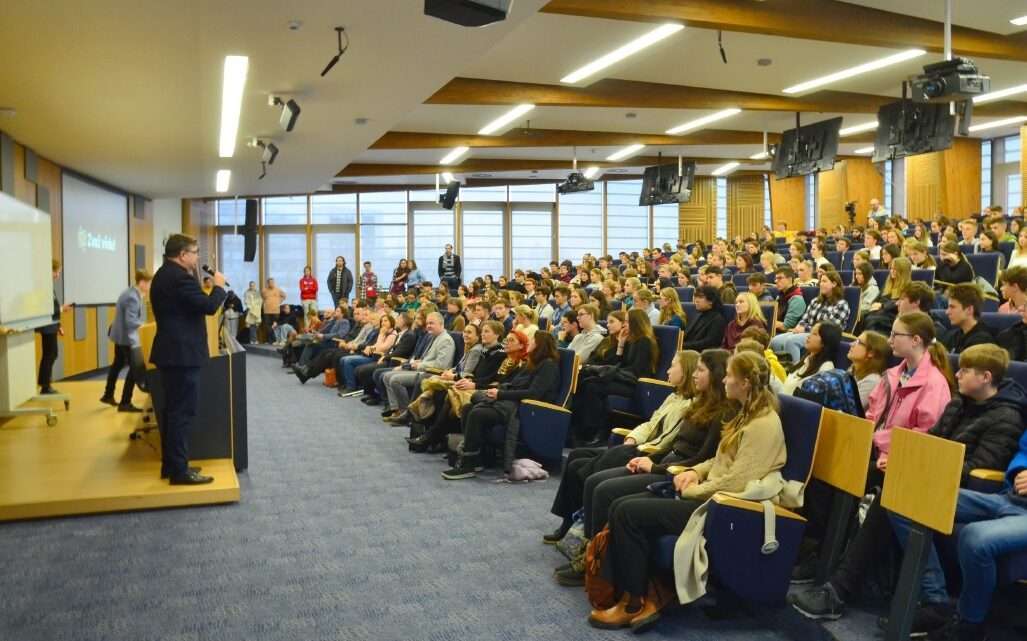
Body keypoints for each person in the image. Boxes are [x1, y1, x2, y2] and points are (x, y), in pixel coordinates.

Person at [587, 352, 784, 630]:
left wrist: (693, 489)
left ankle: (632, 604)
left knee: (627, 512)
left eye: (729, 375)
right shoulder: (746, 414)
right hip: (707, 494)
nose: (724, 379)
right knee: (623, 505)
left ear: (746, 383)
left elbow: (737, 481)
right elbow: (717, 460)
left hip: (719, 506)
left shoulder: (763, 424)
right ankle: (646, 592)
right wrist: (694, 472)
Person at [546, 350, 702, 551]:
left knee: (582, 468)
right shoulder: (673, 396)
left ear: (686, 371)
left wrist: (642, 447)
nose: (668, 371)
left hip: (650, 452)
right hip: (639, 444)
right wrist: (632, 437)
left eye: (673, 366)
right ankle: (567, 522)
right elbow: (650, 423)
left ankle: (585, 537)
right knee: (576, 456)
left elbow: (669, 440)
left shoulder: (691, 404)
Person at [149, 234, 227, 485]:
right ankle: (179, 472)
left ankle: (173, 466)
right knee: (182, 413)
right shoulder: (180, 278)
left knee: (174, 412)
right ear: (183, 255)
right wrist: (218, 286)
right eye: (195, 252)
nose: (197, 257)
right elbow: (207, 306)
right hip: (181, 355)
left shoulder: (164, 274)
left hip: (172, 353)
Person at [444, 332, 560, 479]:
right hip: (511, 402)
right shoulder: (530, 363)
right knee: (468, 408)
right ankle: (479, 457)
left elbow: (534, 393)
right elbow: (513, 384)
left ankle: (468, 464)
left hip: (524, 409)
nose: (529, 343)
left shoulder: (548, 365)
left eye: (532, 341)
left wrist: (500, 394)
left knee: (477, 413)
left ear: (540, 345)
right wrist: (497, 390)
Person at [572, 309, 658, 445]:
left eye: (628, 321)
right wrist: (621, 344)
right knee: (587, 381)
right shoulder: (632, 340)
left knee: (593, 386)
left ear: (636, 323)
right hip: (625, 378)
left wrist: (613, 372)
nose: (625, 325)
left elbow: (636, 370)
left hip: (636, 384)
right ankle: (580, 429)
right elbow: (620, 362)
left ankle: (597, 433)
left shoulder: (644, 342)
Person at [381, 312, 455, 424]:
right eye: (428, 323)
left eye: (432, 323)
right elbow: (430, 359)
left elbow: (441, 366)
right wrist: (418, 362)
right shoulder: (434, 337)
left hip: (432, 374)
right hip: (423, 369)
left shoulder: (446, 340)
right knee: (387, 376)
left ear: (441, 324)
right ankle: (397, 410)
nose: (428, 325)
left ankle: (407, 413)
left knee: (394, 380)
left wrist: (419, 365)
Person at [770, 271, 850, 364]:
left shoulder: (841, 304)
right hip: (807, 332)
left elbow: (828, 329)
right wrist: (799, 326)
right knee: (775, 341)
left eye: (824, 281)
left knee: (791, 341)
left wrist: (805, 328)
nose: (820, 284)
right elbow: (805, 318)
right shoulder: (816, 301)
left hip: (822, 337)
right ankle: (783, 368)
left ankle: (796, 369)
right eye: (820, 281)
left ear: (834, 284)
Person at [101, 270, 152, 412]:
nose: (149, 286)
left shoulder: (130, 292)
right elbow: (131, 322)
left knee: (117, 365)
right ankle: (125, 402)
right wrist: (145, 324)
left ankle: (108, 394)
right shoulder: (133, 297)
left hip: (119, 336)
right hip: (126, 339)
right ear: (142, 282)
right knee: (135, 370)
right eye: (148, 283)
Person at [36, 259, 72, 395]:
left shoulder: (48, 286)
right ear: (49, 270)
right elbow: (49, 308)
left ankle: (45, 383)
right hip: (47, 327)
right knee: (50, 354)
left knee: (51, 354)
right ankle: (45, 385)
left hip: (51, 326)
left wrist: (59, 326)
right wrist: (62, 309)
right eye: (56, 272)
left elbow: (54, 308)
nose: (57, 275)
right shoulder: (44, 286)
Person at [781, 321, 841, 395]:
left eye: (815, 334)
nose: (809, 336)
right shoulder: (807, 360)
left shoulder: (825, 370)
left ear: (825, 341)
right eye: (811, 332)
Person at [943, 284, 995, 354]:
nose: (947, 312)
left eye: (952, 307)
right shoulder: (952, 336)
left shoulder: (982, 342)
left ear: (969, 310)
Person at [846, 330, 891, 410]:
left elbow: (848, 409)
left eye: (858, 342)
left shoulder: (872, 381)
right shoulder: (852, 370)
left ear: (871, 353)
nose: (851, 344)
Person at [682, 285, 727, 352]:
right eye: (696, 297)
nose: (696, 300)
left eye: (700, 297)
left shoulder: (718, 320)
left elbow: (708, 343)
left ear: (711, 301)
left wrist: (683, 346)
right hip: (686, 351)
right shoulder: (697, 315)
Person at [773, 267, 808, 333]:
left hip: (787, 334)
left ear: (789, 279)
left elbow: (786, 326)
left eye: (780, 278)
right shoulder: (780, 296)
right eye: (776, 278)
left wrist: (768, 322)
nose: (776, 281)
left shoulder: (797, 299)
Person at [261, 278, 285, 344]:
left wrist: (280, 301)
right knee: (267, 326)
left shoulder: (278, 290)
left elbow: (284, 296)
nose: (271, 284)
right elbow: (262, 297)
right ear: (267, 283)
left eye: (272, 282)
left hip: (275, 310)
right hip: (266, 311)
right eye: (270, 282)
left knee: (275, 325)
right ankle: (270, 340)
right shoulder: (264, 290)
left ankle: (275, 340)